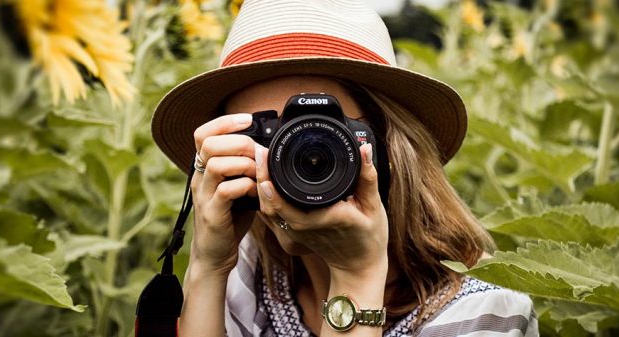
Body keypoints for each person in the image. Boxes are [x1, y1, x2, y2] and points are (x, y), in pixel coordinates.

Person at [150, 0, 539, 336]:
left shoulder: (487, 309)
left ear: (391, 147)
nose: (293, 160)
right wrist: (207, 264)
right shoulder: (251, 271)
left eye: (323, 134)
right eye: (266, 137)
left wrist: (356, 275)